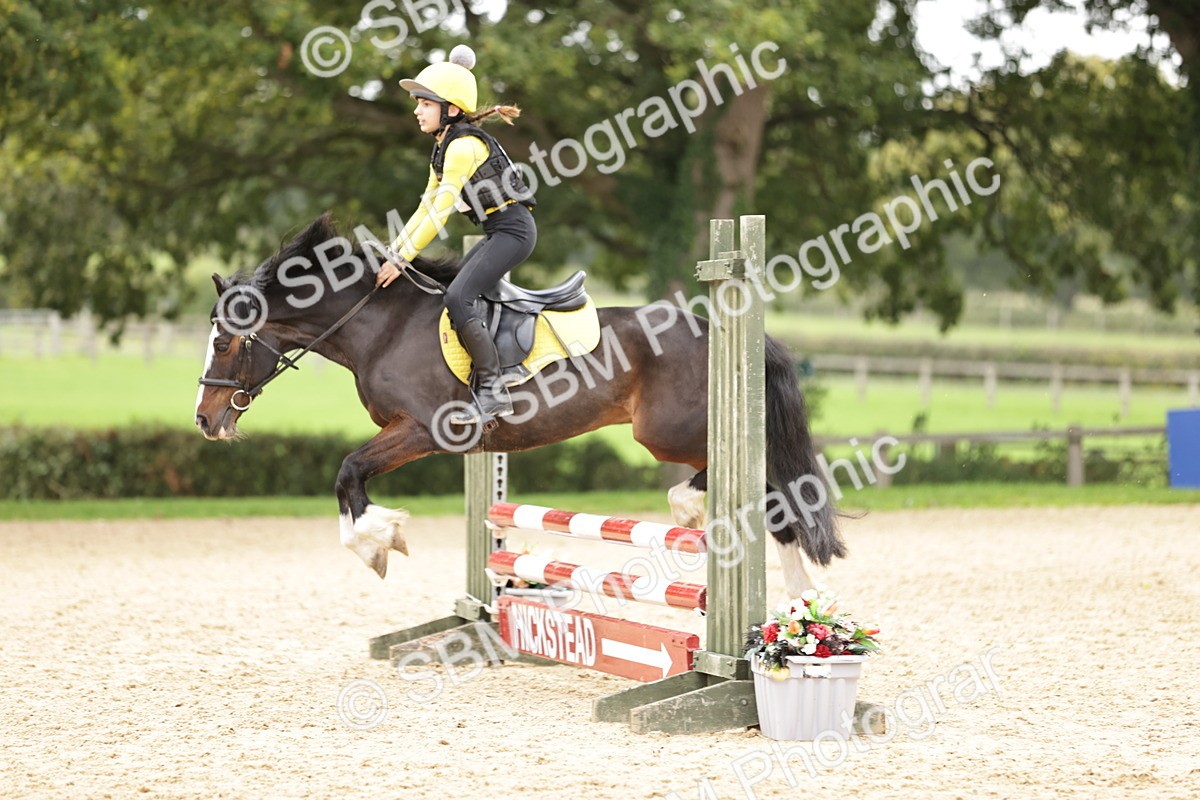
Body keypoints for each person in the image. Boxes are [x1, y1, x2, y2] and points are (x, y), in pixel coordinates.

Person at [377, 45, 537, 426]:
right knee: (455, 290)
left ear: (450, 109)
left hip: (514, 231)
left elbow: (440, 214)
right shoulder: (443, 148)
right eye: (418, 104)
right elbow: (425, 207)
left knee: (457, 296)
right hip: (499, 231)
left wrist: (402, 260)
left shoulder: (464, 147)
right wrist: (393, 251)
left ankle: (492, 391)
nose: (417, 111)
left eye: (424, 104)